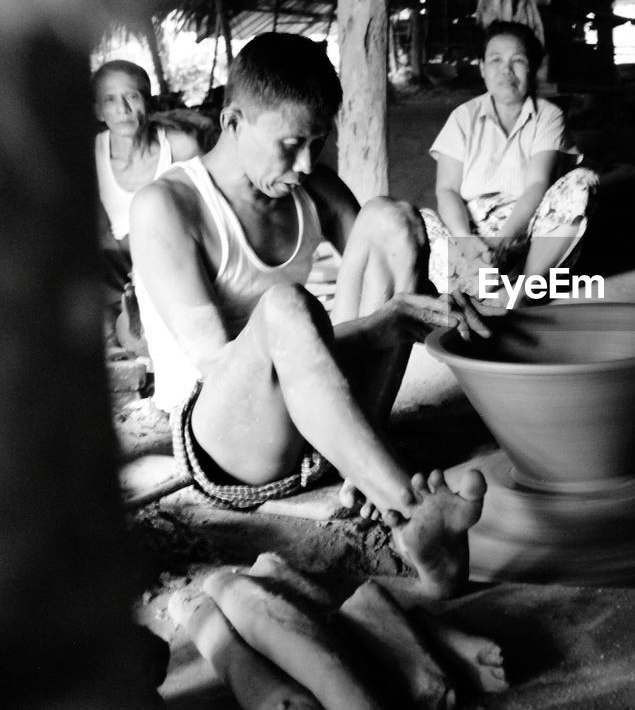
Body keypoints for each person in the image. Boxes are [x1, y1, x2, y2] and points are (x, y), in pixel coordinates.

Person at [130, 33, 492, 597]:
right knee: (286, 307)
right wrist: (387, 323)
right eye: (290, 143)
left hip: (321, 426)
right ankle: (410, 511)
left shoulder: (309, 187)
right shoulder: (168, 206)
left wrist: (442, 304)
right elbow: (219, 364)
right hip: (229, 443)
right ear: (232, 122)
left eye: (317, 144)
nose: (303, 165)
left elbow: (396, 278)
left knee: (392, 218)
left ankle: (359, 461)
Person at [419, 21, 596, 302]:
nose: (506, 70)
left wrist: (503, 241)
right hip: (470, 234)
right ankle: (478, 284)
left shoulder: (548, 116)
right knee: (418, 221)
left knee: (582, 182)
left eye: (518, 61)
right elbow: (447, 190)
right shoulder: (462, 117)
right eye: (495, 60)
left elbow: (537, 184)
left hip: (526, 232)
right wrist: (466, 240)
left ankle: (521, 291)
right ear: (482, 68)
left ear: (534, 68)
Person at [92, 60, 202, 349]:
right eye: (110, 99)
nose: (123, 110)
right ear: (98, 110)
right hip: (116, 279)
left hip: (175, 268)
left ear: (150, 102)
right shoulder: (90, 156)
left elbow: (207, 217)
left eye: (132, 96)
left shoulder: (182, 147)